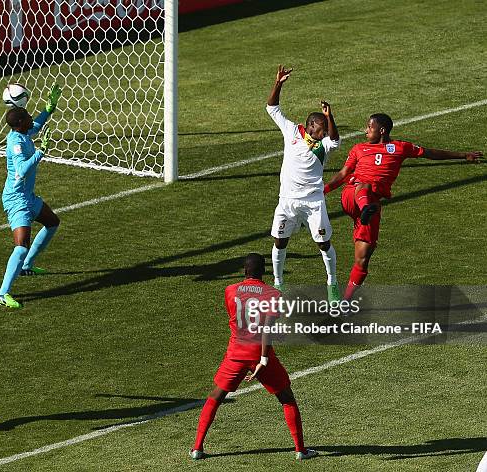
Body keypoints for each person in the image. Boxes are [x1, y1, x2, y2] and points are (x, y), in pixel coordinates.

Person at [324, 113, 483, 299]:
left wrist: (464, 155)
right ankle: (366, 207)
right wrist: (323, 190)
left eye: (369, 127)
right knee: (364, 186)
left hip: (372, 204)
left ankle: (346, 302)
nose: (366, 130)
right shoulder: (359, 148)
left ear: (382, 130)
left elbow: (430, 153)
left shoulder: (400, 147)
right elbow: (343, 174)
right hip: (352, 195)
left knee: (363, 258)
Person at [190, 253, 318, 461]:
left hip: (236, 353)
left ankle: (197, 448)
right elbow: (265, 329)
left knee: (215, 397)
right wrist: (264, 357)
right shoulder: (273, 295)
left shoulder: (230, 291)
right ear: (263, 271)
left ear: (245, 270)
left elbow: (240, 322)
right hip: (260, 354)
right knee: (286, 399)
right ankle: (300, 450)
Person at [266, 65, 341, 302]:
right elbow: (272, 109)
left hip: (313, 201)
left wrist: (331, 117)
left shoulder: (325, 145)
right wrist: (278, 83)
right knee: (280, 241)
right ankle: (278, 283)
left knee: (323, 243)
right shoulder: (291, 131)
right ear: (311, 127)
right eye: (321, 129)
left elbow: (336, 141)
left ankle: (332, 282)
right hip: (287, 200)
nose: (324, 134)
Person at [0, 84, 62, 309]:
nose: (31, 117)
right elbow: (22, 169)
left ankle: (27, 266)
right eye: (27, 116)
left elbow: (38, 124)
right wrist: (41, 152)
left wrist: (50, 107)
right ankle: (2, 294)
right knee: (21, 246)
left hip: (28, 196)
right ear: (20, 123)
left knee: (52, 222)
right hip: (17, 200)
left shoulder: (23, 132)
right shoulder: (15, 142)